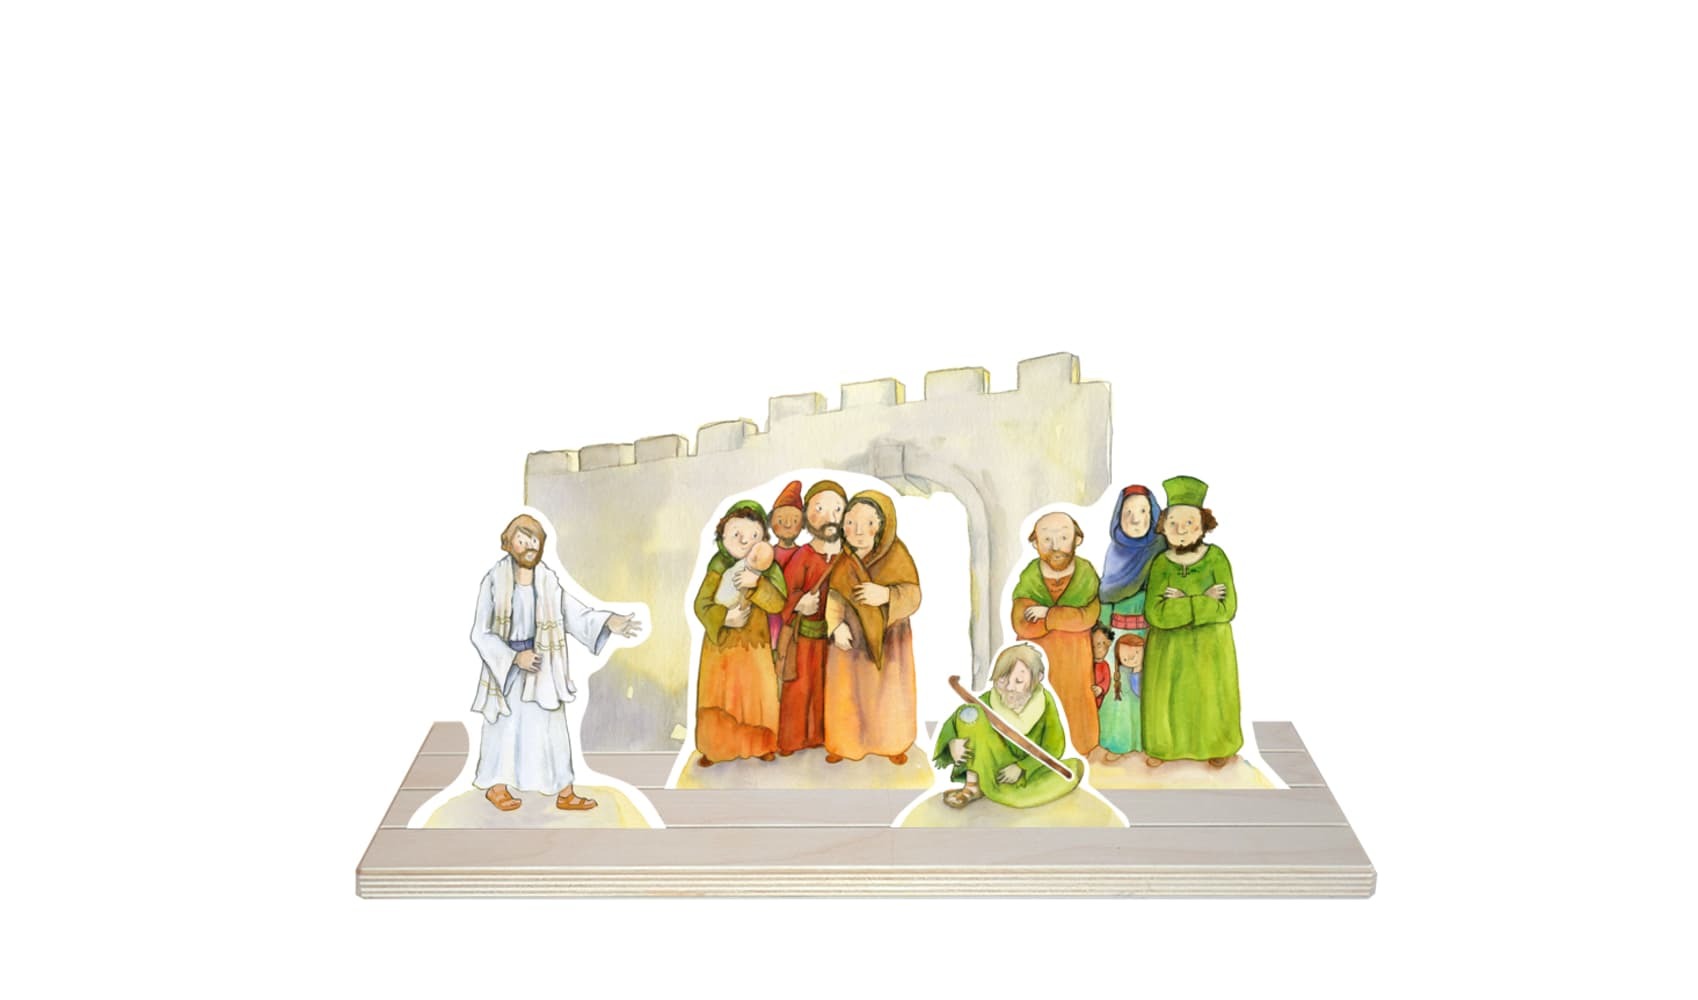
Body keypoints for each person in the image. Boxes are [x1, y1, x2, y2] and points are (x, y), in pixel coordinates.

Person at [470, 514, 642, 812]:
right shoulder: (494, 581)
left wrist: (608, 621)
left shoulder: (547, 581)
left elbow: (572, 613)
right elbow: (480, 633)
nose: (529, 546)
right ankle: (497, 788)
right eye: (522, 540)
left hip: (542, 666)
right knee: (504, 730)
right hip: (507, 671)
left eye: (534, 540)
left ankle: (565, 792)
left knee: (552, 730)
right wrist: (514, 658)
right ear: (508, 543)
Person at [1142, 476, 1242, 768]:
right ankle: (1163, 749)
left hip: (1211, 651)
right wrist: (1202, 600)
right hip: (1168, 652)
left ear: (1202, 525)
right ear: (1163, 526)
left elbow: (1226, 609)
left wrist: (1182, 602)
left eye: (1189, 523)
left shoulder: (1216, 558)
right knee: (1167, 698)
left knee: (1210, 697)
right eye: (1173, 523)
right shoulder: (1161, 563)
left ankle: (1217, 747)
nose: (1181, 531)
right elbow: (1155, 613)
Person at [823, 489, 921, 765]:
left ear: (882, 526)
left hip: (890, 638)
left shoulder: (897, 555)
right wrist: (835, 626)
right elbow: (834, 597)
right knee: (847, 692)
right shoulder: (844, 560)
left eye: (867, 523)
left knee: (888, 694)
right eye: (851, 523)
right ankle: (845, 744)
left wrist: (887, 595)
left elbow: (913, 595)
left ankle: (892, 744)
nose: (858, 531)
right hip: (851, 638)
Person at [692, 500, 788, 766]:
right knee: (721, 696)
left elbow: (777, 603)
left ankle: (762, 744)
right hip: (721, 646)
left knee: (757, 696)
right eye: (737, 534)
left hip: (754, 645)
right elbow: (701, 605)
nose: (745, 541)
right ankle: (716, 748)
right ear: (722, 535)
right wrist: (725, 617)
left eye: (754, 535)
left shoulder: (768, 569)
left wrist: (757, 585)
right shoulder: (718, 566)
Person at [931, 644, 1083, 809]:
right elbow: (956, 725)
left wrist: (1022, 767)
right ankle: (973, 786)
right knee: (969, 713)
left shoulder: (1044, 702)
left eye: (1018, 681)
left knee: (1070, 771)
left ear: (1038, 678)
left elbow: (1054, 746)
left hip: (1026, 772)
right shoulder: (988, 700)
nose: (1010, 688)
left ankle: (1004, 788)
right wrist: (953, 744)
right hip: (991, 766)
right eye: (1003, 680)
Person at [1010, 510, 1102, 755]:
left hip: (1076, 659)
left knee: (1075, 704)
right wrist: (1066, 617)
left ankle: (1079, 749)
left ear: (1077, 539)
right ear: (1035, 543)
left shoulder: (1085, 574)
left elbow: (1087, 617)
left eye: (1063, 537)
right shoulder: (1030, 576)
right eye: (1047, 539)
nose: (1055, 546)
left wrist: (1048, 615)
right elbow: (1022, 623)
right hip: (1039, 659)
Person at [775, 480, 842, 756]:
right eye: (820, 508)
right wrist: (798, 604)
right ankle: (793, 739)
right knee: (800, 686)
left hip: (834, 639)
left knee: (830, 687)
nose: (830, 517)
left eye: (838, 509)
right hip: (803, 637)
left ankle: (825, 737)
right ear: (807, 515)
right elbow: (784, 595)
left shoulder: (846, 557)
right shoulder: (803, 555)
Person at [1097, 484, 1165, 639]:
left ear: (1153, 514)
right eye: (1128, 512)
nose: (1135, 520)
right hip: (1118, 633)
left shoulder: (1161, 547)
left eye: (1143, 511)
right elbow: (1106, 596)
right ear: (1118, 516)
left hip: (1153, 633)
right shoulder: (1115, 553)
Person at [767, 480, 806, 649]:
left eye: (795, 520)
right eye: (781, 520)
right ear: (771, 522)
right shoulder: (766, 553)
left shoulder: (805, 554)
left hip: (796, 619)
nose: (788, 525)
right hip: (770, 617)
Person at [1098, 633, 1144, 762]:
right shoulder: (1120, 674)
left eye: (1137, 652)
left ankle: (1136, 744)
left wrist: (1137, 670)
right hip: (1120, 715)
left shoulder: (1145, 673)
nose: (1131, 658)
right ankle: (1117, 747)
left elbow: (1139, 691)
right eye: (1125, 657)